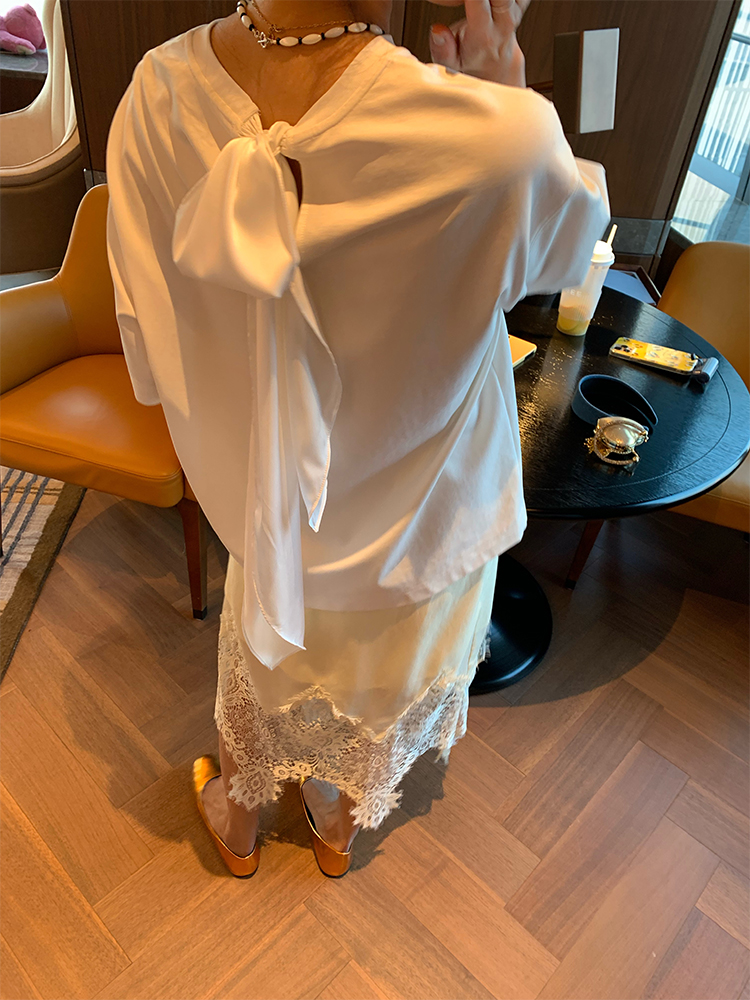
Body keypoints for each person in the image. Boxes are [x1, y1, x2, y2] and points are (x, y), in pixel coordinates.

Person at [106, 0, 609, 878]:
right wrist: (507, 104)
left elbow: (144, 330)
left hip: (264, 512)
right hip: (421, 516)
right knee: (379, 679)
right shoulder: (501, 138)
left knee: (263, 661)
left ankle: (238, 824)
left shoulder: (155, 92)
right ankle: (334, 830)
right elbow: (566, 260)